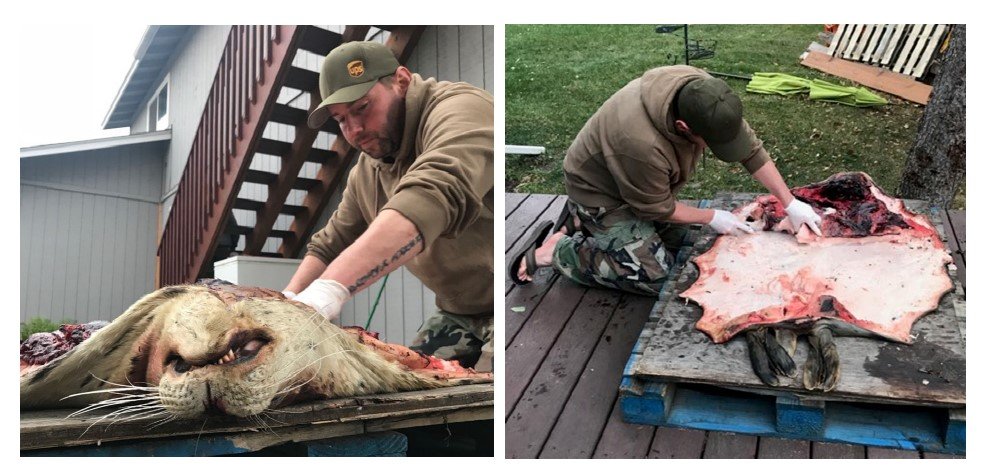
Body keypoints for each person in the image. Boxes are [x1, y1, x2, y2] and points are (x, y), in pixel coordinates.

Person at [511, 64, 822, 296]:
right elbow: (655, 207)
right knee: (657, 274)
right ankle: (560, 250)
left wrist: (790, 202)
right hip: (603, 195)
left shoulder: (703, 93)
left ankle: (580, 222)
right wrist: (711, 216)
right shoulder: (640, 144)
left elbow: (751, 150)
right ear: (683, 126)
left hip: (636, 182)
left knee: (686, 244)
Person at [284, 41, 494, 372]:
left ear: (402, 80)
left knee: (491, 399)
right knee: (413, 389)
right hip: (459, 310)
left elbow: (434, 192)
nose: (353, 130)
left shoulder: (462, 109)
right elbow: (331, 242)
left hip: (512, 293)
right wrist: (286, 306)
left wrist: (328, 292)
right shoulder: (368, 170)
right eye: (340, 120)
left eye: (362, 107)